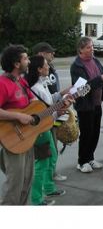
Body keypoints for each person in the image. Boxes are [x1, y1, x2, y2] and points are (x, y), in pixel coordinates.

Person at [26, 56, 70, 205]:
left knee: (52, 158)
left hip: (46, 126)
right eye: (46, 65)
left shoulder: (41, 84)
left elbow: (48, 103)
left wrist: (61, 99)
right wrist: (58, 111)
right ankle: (36, 199)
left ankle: (49, 188)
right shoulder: (35, 87)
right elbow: (41, 113)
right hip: (40, 130)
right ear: (39, 69)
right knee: (41, 163)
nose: (49, 67)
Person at [70, 37, 103, 173]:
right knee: (86, 133)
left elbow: (102, 75)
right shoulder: (77, 66)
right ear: (81, 50)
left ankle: (90, 158)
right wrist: (100, 79)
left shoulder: (95, 60)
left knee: (95, 132)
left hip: (97, 103)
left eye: (92, 47)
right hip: (85, 105)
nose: (92, 49)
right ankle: (82, 161)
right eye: (89, 47)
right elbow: (83, 88)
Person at [0, 45, 35, 205]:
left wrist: (57, 108)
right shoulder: (2, 83)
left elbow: (34, 104)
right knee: (15, 186)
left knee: (27, 182)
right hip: (11, 140)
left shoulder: (21, 81)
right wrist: (18, 116)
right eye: (26, 58)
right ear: (16, 64)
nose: (29, 61)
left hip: (27, 137)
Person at [32, 42, 67, 182]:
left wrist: (63, 95)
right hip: (43, 122)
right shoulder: (35, 84)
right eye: (50, 52)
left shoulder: (47, 75)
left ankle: (50, 180)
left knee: (52, 150)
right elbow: (38, 107)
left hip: (50, 115)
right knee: (44, 156)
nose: (53, 54)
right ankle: (42, 189)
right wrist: (56, 112)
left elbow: (50, 98)